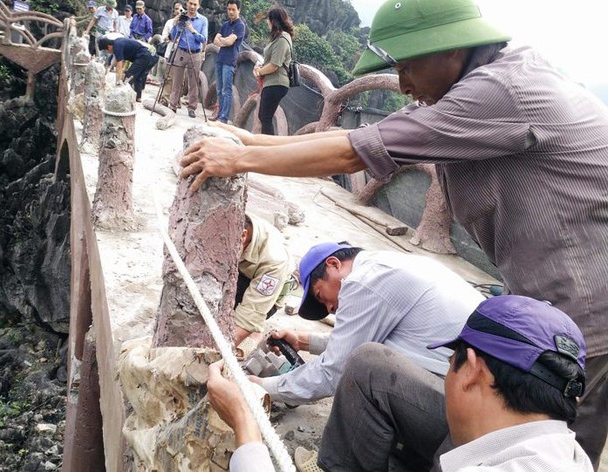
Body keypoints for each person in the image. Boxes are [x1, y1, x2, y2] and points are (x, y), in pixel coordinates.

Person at [183, 0, 608, 464]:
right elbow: (363, 138)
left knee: (541, 452)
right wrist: (252, 140)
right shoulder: (484, 84)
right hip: (535, 313)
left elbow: (353, 153)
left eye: (407, 67)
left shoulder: (500, 91)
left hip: (583, 324)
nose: (403, 85)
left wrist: (241, 159)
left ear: (450, 51)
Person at [208, 295, 594, 472]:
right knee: (371, 362)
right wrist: (309, 340)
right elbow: (363, 346)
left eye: (451, 363)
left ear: (473, 370)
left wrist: (246, 424)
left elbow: (327, 374)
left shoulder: (367, 285)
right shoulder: (567, 452)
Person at [253, 241, 482, 406]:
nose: (330, 309)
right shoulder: (383, 266)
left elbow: (332, 373)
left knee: (362, 370)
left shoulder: (363, 282)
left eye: (322, 297)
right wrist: (303, 341)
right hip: (479, 387)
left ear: (334, 264)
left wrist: (261, 387)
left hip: (465, 399)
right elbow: (360, 338)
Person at [234, 214, 293, 351]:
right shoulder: (237, 223)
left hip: (268, 296)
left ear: (243, 236)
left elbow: (247, 317)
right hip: (241, 273)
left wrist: (211, 354)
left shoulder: (274, 260)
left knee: (241, 321)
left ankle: (256, 332)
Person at [252, 7, 293, 135]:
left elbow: (274, 65)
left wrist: (259, 72)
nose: (267, 23)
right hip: (272, 82)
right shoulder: (278, 37)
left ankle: (268, 146)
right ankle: (267, 145)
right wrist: (260, 67)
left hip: (277, 83)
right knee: (264, 116)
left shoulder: (282, 39)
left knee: (265, 117)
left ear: (274, 21)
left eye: (268, 20)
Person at [168, 0, 208, 118]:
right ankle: (173, 105)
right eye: (190, 3)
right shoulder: (182, 17)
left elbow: (203, 39)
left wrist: (192, 30)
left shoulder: (203, 20)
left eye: (195, 4)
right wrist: (176, 22)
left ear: (199, 6)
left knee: (194, 81)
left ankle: (192, 107)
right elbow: (173, 36)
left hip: (195, 53)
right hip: (180, 51)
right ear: (187, 4)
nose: (192, 6)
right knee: (177, 81)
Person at [210, 0, 245, 124]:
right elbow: (215, 41)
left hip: (229, 62)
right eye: (229, 9)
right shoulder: (225, 25)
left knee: (226, 90)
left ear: (238, 10)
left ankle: (223, 118)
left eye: (233, 9)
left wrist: (223, 40)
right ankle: (219, 113)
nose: (230, 12)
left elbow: (230, 42)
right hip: (220, 59)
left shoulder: (240, 25)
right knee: (219, 89)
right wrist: (225, 40)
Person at [98, 36, 158, 102]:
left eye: (106, 50)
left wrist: (118, 82)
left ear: (109, 47)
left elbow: (119, 67)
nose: (107, 52)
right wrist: (109, 69)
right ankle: (138, 97)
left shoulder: (117, 46)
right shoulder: (117, 42)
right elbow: (116, 60)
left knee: (129, 76)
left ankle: (123, 98)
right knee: (138, 77)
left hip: (143, 55)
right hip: (148, 55)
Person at [157, 1, 183, 107]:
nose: (178, 11)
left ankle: (176, 99)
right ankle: (164, 98)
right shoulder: (169, 22)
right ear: (173, 10)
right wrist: (170, 38)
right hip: (170, 51)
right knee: (168, 77)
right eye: (176, 9)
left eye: (180, 9)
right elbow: (164, 37)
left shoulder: (188, 23)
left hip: (182, 53)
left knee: (181, 79)